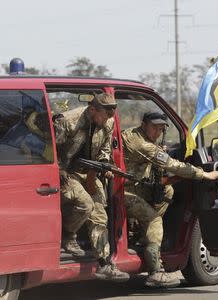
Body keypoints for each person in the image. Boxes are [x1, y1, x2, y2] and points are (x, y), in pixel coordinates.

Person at [121, 111, 218, 288]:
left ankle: (144, 237)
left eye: (160, 129)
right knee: (154, 220)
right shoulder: (142, 144)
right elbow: (171, 165)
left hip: (131, 186)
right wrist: (204, 174)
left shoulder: (135, 134)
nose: (157, 133)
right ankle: (155, 271)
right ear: (144, 125)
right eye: (154, 128)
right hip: (122, 192)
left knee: (167, 191)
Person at [54, 93, 129, 282]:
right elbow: (50, 150)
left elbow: (104, 150)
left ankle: (105, 263)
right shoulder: (68, 121)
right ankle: (67, 236)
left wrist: (104, 166)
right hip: (64, 172)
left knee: (99, 214)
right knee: (85, 203)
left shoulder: (108, 123)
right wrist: (59, 170)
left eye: (111, 116)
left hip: (89, 172)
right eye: (105, 114)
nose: (107, 120)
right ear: (93, 109)